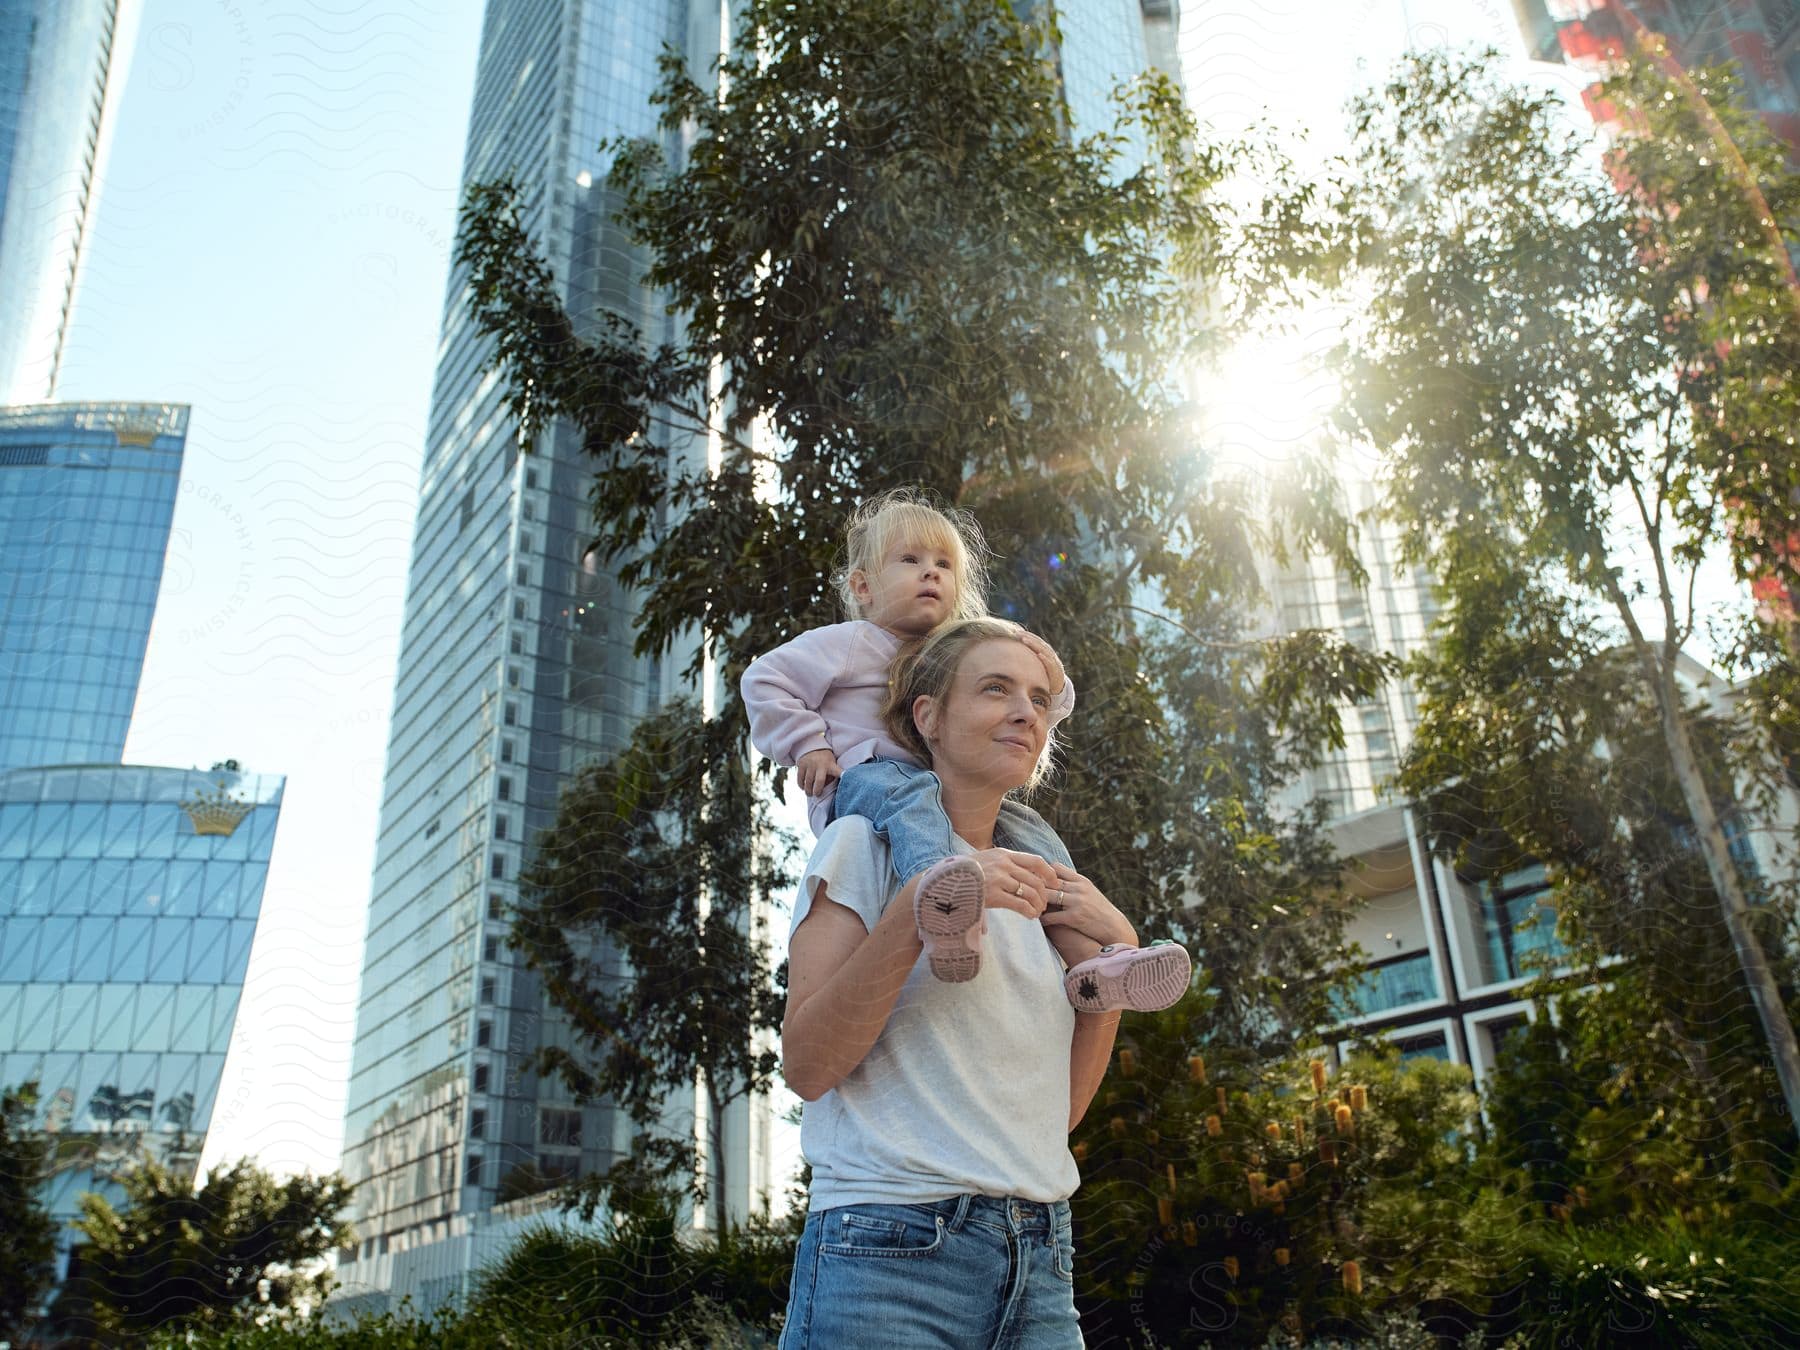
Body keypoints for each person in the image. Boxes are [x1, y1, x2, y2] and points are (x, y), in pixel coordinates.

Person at [778, 618, 1151, 1347]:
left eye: (1040, 699)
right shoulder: (863, 843)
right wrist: (920, 909)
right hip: (890, 1251)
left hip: (1040, 1255)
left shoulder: (1047, 886)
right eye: (995, 690)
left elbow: (1056, 1116)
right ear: (929, 718)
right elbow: (808, 1066)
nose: (1026, 712)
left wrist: (1108, 973)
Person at [742, 489, 1190, 1011]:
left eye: (943, 564)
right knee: (911, 794)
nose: (930, 573)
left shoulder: (948, 654)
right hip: (865, 780)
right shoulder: (851, 641)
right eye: (909, 560)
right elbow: (765, 678)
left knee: (1030, 838)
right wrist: (808, 747)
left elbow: (1034, 708)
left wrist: (1051, 675)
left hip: (933, 794)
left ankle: (1095, 963)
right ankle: (943, 901)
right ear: (863, 586)